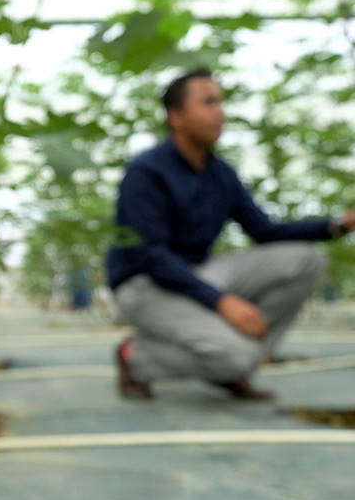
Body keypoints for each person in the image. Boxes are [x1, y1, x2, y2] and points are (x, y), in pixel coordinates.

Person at [106, 67, 355, 401]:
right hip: (145, 285)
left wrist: (338, 225)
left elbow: (264, 231)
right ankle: (136, 356)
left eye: (220, 103)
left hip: (196, 274)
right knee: (236, 356)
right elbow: (151, 256)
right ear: (175, 116)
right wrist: (221, 302)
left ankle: (231, 358)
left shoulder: (221, 174)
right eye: (208, 103)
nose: (219, 113)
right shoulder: (147, 172)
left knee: (306, 260)